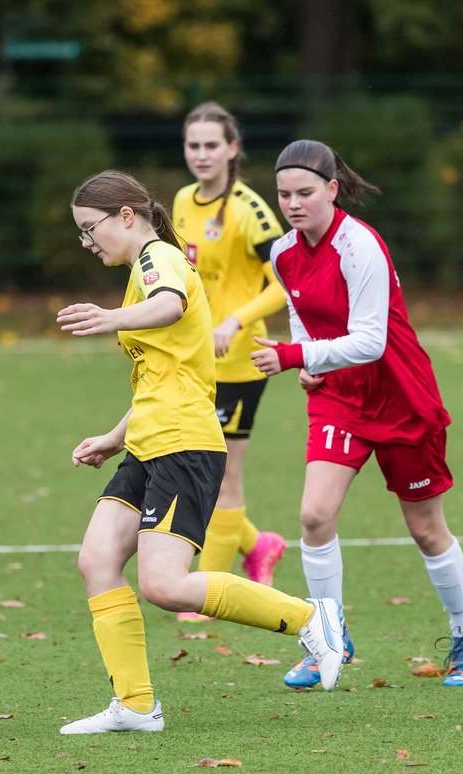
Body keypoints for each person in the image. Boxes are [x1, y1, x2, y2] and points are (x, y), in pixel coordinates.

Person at [55, 169, 346, 734]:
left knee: (163, 585)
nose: (90, 243)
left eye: (92, 229)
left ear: (126, 217)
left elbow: (169, 305)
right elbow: (163, 373)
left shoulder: (156, 259)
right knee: (97, 560)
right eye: (81, 234)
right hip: (150, 440)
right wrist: (114, 437)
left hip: (184, 446)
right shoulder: (139, 269)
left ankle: (312, 618)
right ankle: (136, 706)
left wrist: (110, 318)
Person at [249, 140, 463, 690]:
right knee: (313, 515)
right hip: (340, 397)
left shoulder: (361, 247)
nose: (293, 204)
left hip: (400, 396)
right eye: (284, 194)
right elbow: (301, 311)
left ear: (333, 189)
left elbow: (372, 342)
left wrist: (294, 356)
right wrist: (308, 356)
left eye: (305, 193)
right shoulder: (282, 252)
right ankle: (328, 636)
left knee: (426, 530)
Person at [170, 102, 289, 620]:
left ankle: (206, 593)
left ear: (232, 149)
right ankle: (259, 545)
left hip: (241, 362)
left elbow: (287, 280)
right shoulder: (180, 201)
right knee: (197, 470)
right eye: (193, 145)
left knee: (221, 478)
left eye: (211, 145)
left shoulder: (250, 209)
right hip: (194, 362)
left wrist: (235, 321)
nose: (201, 154)